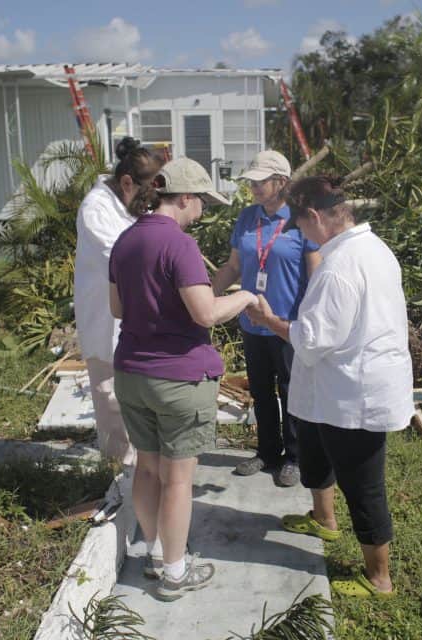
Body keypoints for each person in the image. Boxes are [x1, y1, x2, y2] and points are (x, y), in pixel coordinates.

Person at [246, 176, 413, 599]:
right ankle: (324, 519)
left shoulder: (340, 268)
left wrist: (268, 322)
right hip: (334, 387)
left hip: (354, 393)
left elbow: (314, 338)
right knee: (317, 453)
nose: (302, 235)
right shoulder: (370, 248)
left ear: (316, 217)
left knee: (363, 483)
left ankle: (379, 578)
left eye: (301, 226)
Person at [109, 157, 258, 601]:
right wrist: (245, 296)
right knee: (177, 479)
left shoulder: (125, 240)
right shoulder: (180, 245)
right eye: (203, 203)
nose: (203, 212)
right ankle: (175, 573)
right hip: (177, 379)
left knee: (148, 468)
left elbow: (118, 309)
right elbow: (206, 313)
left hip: (132, 373)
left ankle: (157, 555)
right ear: (187, 198)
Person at [211, 150, 320, 487]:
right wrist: (205, 298)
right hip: (252, 323)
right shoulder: (247, 218)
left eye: (261, 182)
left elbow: (317, 276)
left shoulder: (301, 221)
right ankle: (267, 452)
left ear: (281, 182)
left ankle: (295, 457)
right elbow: (233, 266)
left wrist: (313, 322)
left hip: (287, 326)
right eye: (252, 182)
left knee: (291, 391)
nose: (254, 187)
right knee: (261, 390)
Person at [75, 137, 162, 521]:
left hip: (127, 320)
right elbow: (129, 254)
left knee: (130, 402)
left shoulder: (120, 205)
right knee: (110, 401)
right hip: (104, 320)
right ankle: (118, 479)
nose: (148, 199)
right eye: (145, 190)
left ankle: (136, 474)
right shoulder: (96, 208)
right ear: (127, 182)